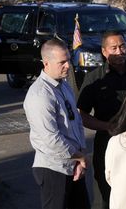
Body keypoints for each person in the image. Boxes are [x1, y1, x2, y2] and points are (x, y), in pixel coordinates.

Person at [77, 31, 126, 208]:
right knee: (107, 195)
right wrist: (107, 126)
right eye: (114, 48)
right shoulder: (94, 78)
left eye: (123, 46)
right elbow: (81, 115)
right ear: (104, 52)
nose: (120, 51)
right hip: (107, 143)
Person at [24, 39, 90, 209]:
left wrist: (80, 156)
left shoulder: (64, 86)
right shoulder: (40, 95)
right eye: (62, 62)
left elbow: (76, 122)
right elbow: (51, 139)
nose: (68, 65)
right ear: (46, 63)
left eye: (68, 59)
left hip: (73, 163)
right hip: (53, 169)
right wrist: (80, 156)